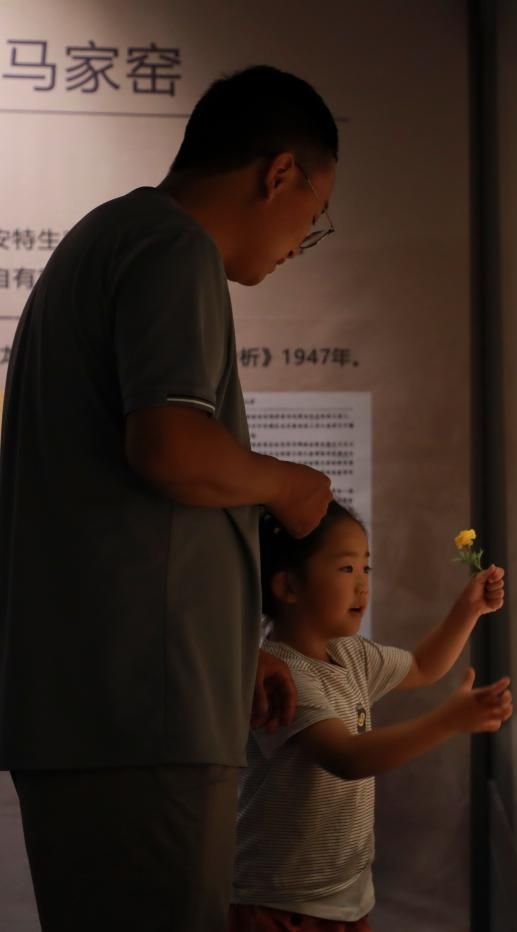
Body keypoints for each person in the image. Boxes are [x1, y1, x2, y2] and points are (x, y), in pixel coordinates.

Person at [0, 66, 340, 931]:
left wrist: (230, 654)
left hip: (102, 701)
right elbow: (170, 449)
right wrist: (290, 485)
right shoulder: (172, 246)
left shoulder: (105, 240)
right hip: (144, 714)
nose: (302, 239)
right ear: (280, 174)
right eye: (316, 213)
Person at [229, 502, 512, 931]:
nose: (363, 584)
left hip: (347, 894)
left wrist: (468, 609)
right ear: (288, 586)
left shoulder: (352, 654)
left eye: (366, 568)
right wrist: (447, 721)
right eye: (346, 569)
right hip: (281, 901)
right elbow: (347, 757)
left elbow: (422, 666)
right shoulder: (282, 675)